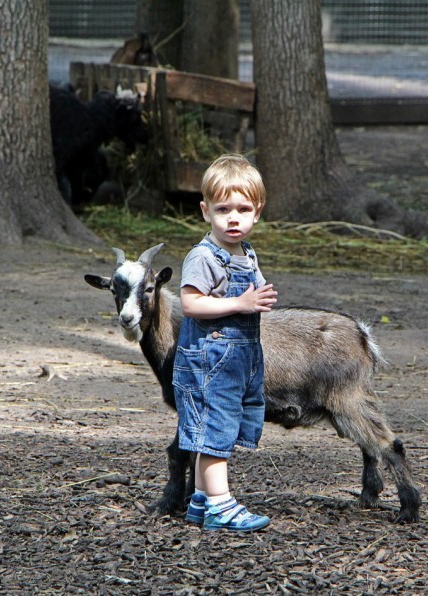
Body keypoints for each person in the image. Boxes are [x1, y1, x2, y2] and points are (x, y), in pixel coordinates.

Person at [172, 154, 278, 532]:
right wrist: (241, 303)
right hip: (208, 359)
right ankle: (221, 505)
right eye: (223, 209)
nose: (233, 218)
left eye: (243, 209)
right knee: (213, 431)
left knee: (220, 427)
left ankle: (201, 500)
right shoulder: (202, 256)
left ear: (257, 212)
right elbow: (190, 303)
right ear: (205, 212)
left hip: (238, 357)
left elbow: (252, 293)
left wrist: (260, 299)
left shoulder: (246, 253)